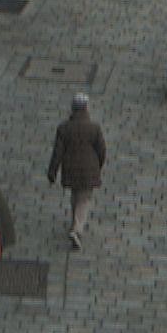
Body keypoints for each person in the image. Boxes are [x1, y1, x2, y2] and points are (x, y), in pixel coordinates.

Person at [46, 93, 107, 249]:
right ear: (86, 108)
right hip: (89, 169)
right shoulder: (94, 128)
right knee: (84, 200)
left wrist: (52, 171)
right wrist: (98, 166)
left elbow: (57, 153)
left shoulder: (64, 128)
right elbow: (102, 150)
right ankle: (77, 229)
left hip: (70, 169)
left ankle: (74, 223)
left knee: (75, 195)